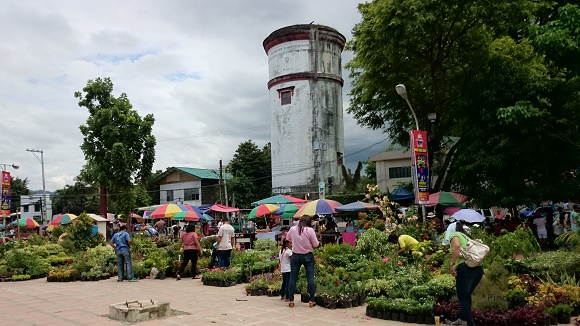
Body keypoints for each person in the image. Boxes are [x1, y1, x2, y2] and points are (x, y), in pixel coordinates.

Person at [448, 222, 483, 326]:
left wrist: (452, 264)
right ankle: (463, 319)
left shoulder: (454, 235)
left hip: (465, 269)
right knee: (466, 296)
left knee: (462, 297)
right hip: (477, 269)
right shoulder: (467, 237)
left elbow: (456, 247)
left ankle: (471, 323)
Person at [286, 215, 319, 308]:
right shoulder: (310, 230)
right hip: (308, 256)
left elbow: (287, 238)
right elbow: (316, 244)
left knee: (293, 278)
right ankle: (311, 300)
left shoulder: (293, 229)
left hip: (295, 255)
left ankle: (291, 300)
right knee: (310, 277)